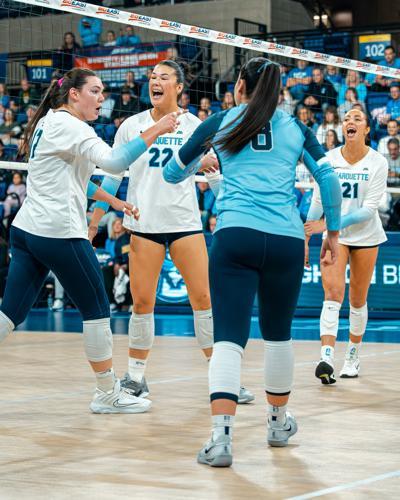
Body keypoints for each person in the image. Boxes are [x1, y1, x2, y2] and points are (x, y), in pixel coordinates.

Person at [163, 56, 341, 467]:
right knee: (278, 335)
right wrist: (331, 231)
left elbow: (172, 173)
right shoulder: (295, 127)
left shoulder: (220, 122)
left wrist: (203, 163)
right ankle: (278, 424)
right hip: (285, 240)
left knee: (229, 337)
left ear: (240, 86)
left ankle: (221, 439)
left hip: (235, 235)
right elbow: (329, 178)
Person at [0, 67, 181, 414]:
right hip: (58, 231)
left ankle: (108, 391)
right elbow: (115, 161)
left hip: (27, 230)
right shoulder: (72, 126)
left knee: (11, 313)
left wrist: (115, 202)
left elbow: (77, 180)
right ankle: (107, 393)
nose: (101, 98)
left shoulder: (50, 121)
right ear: (74, 94)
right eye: (95, 91)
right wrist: (157, 128)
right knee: (97, 309)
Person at [89, 60, 255, 405]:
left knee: (204, 299)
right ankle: (136, 378)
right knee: (142, 303)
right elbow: (113, 176)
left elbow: (214, 175)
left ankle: (223, 378)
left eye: (164, 77)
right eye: (152, 76)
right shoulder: (131, 125)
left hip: (184, 225)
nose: (155, 81)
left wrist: (233, 213)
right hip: (144, 225)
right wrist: (94, 221)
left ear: (179, 87)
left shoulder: (195, 125)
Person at [305, 109, 388, 384]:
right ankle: (326, 358)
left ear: (367, 129)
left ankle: (352, 354)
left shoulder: (378, 162)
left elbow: (368, 210)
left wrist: (330, 224)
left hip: (366, 236)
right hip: (335, 236)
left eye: (357, 119)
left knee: (357, 300)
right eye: (347, 119)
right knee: (332, 293)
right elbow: (318, 201)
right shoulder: (329, 159)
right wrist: (307, 233)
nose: (350, 122)